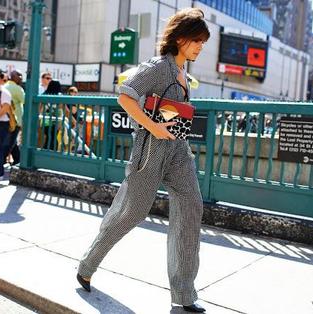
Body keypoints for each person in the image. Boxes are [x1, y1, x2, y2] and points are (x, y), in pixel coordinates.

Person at [76, 8, 210, 313]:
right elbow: (125, 95)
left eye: (203, 41)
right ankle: (88, 263)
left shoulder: (183, 73)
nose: (200, 46)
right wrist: (153, 126)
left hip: (178, 149)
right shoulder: (159, 67)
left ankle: (184, 294)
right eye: (196, 40)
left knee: (192, 207)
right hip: (151, 149)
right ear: (179, 38)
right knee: (130, 213)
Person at [3, 70, 25, 165]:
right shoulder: (17, 88)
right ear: (13, 76)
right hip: (14, 120)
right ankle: (0, 160)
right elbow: (25, 101)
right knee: (10, 142)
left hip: (4, 119)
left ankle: (17, 160)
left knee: (12, 141)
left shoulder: (4, 86)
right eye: (19, 75)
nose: (21, 77)